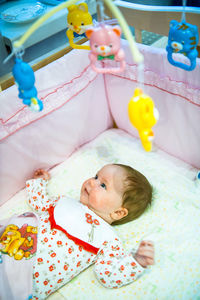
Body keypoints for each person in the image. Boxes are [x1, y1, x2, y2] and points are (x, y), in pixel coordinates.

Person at [0, 164, 154, 300]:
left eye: (103, 185)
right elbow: (39, 203)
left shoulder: (108, 240)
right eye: (95, 176)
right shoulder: (65, 202)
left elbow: (107, 275)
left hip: (25, 278)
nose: (92, 182)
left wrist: (136, 262)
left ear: (118, 213)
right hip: (10, 237)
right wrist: (39, 183)